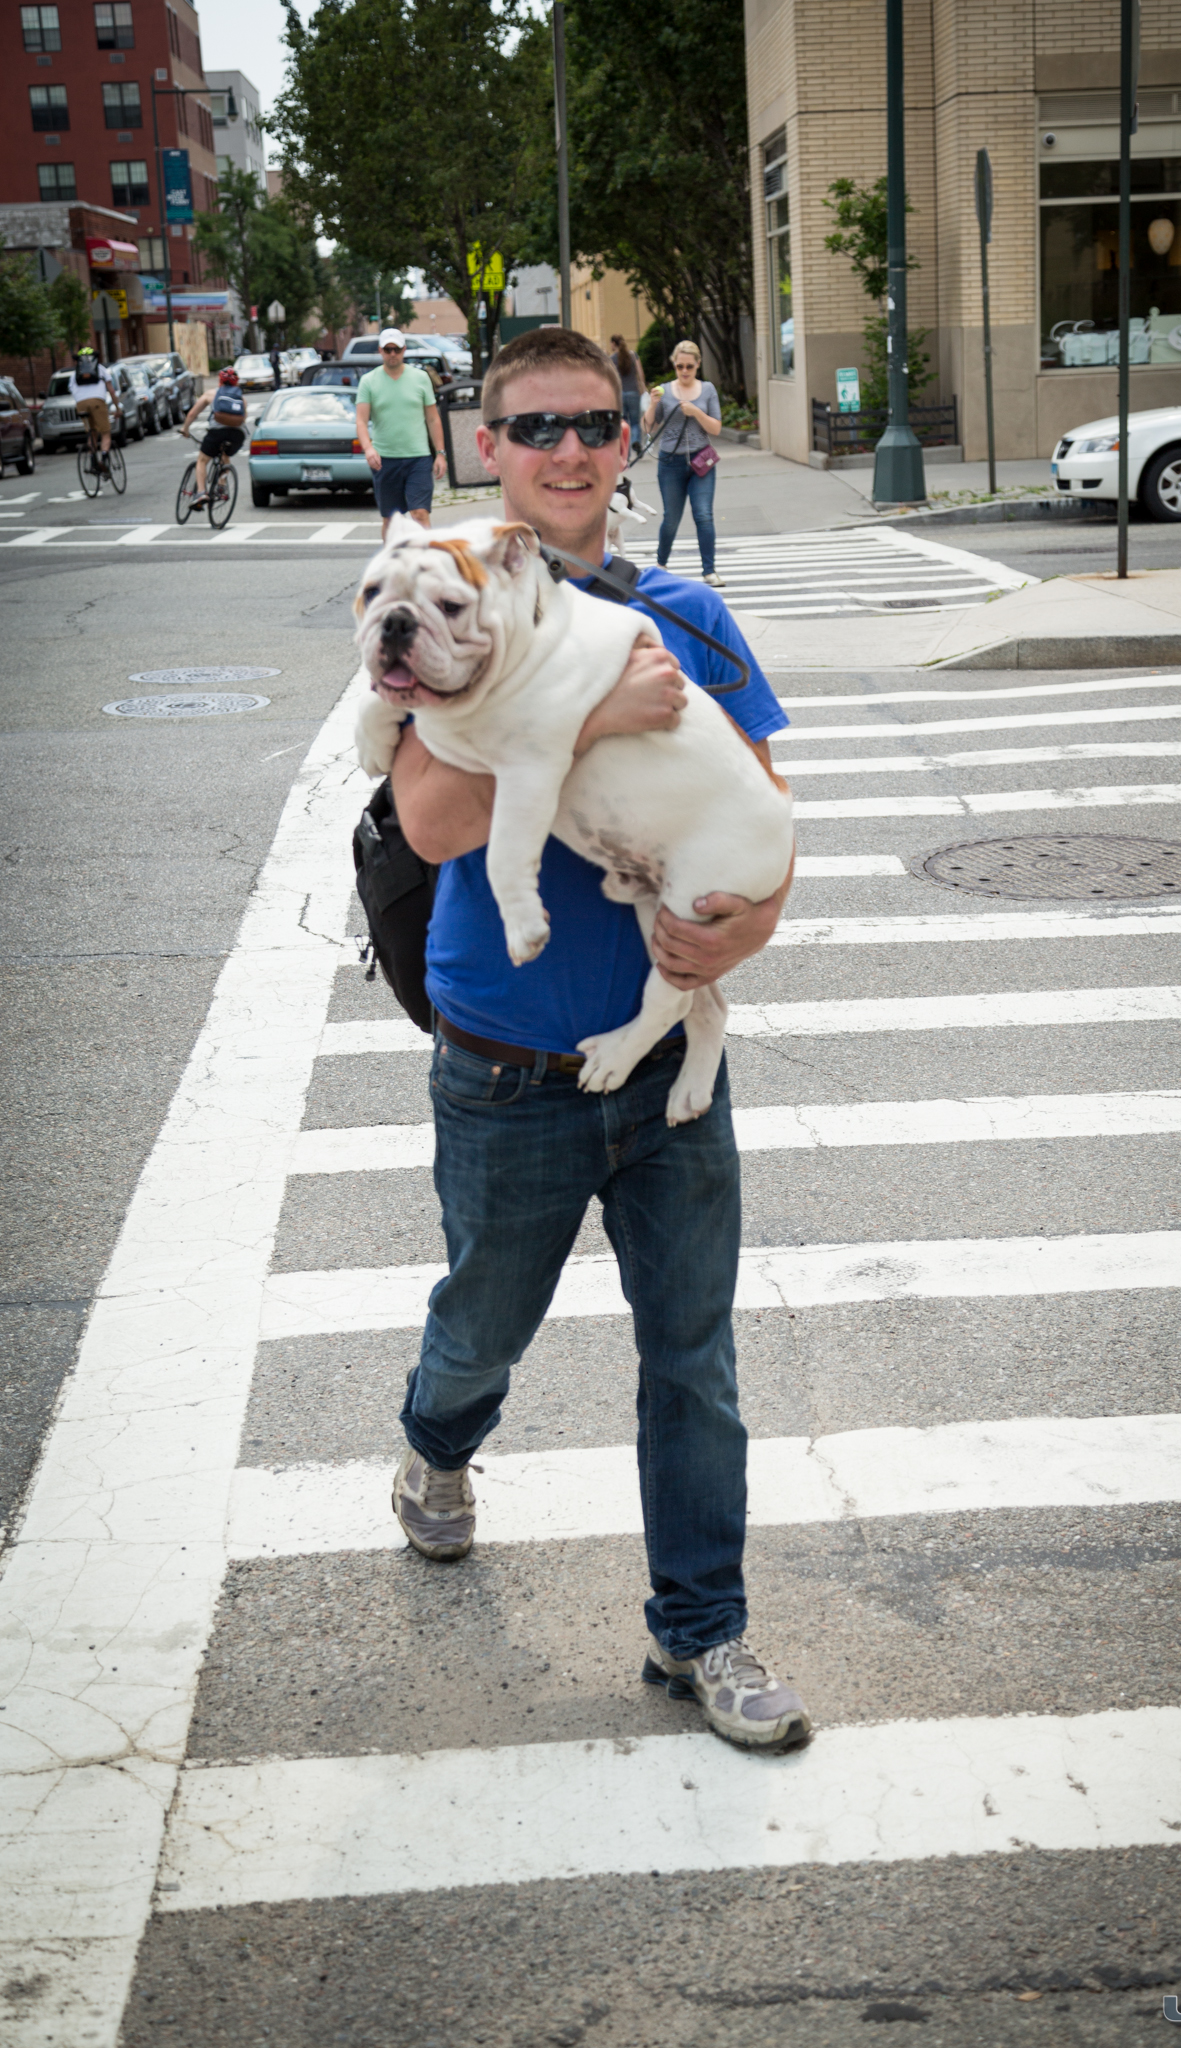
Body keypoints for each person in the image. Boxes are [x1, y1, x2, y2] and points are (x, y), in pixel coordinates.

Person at [386, 325, 810, 1752]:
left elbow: (761, 807)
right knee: (482, 1334)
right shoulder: (445, 604)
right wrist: (581, 722)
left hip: (669, 1070)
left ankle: (705, 1632)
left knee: (691, 1356)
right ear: (485, 450)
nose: (568, 449)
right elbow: (440, 823)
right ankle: (437, 1447)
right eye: (534, 427)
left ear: (630, 443)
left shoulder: (685, 615)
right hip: (507, 1068)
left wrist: (744, 931)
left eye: (592, 423)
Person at [644, 340, 724, 586]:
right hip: (670, 462)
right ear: (674, 366)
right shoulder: (665, 390)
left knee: (703, 515)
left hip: (701, 461)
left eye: (690, 366)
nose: (685, 371)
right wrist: (653, 403)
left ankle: (709, 571)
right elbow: (648, 425)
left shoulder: (708, 390)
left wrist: (696, 412)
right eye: (680, 366)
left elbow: (716, 428)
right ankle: (661, 565)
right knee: (671, 517)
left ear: (698, 364)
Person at [356, 329, 448, 538]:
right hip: (385, 460)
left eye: (396, 349)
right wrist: (368, 448)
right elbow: (361, 420)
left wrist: (440, 453)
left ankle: (426, 562)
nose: (392, 354)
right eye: (387, 349)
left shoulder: (421, 378)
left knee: (420, 514)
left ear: (404, 350)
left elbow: (433, 418)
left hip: (418, 458)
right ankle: (391, 565)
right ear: (380, 351)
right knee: (391, 519)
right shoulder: (369, 381)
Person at [179, 366, 247, 509]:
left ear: (220, 381)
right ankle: (221, 487)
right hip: (237, 436)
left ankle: (201, 492)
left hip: (217, 433)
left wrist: (185, 429)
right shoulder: (240, 398)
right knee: (225, 454)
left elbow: (192, 414)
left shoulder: (211, 394)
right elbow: (243, 419)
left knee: (202, 460)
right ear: (236, 383)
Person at [71, 345, 116, 463]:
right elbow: (111, 390)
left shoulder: (74, 374)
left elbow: (72, 391)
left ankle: (92, 460)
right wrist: (118, 408)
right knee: (105, 433)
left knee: (92, 432)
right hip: (97, 402)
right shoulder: (101, 369)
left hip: (81, 405)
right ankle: (105, 459)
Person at [611, 332, 645, 454]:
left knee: (623, 422)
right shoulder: (633, 355)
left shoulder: (612, 359)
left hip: (620, 394)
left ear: (614, 344)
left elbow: (611, 378)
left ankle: (626, 451)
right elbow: (640, 373)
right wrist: (643, 387)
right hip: (634, 392)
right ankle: (636, 441)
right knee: (635, 421)